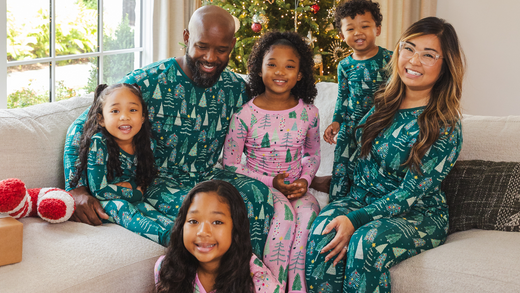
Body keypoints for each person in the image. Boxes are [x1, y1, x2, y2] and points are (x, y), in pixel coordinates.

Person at [63, 5, 274, 257]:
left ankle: (252, 273)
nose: (210, 57)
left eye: (221, 50)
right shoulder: (147, 81)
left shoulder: (236, 88)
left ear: (233, 45)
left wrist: (308, 176)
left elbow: (267, 133)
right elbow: (82, 126)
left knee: (259, 195)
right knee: (208, 211)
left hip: (209, 175)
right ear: (186, 38)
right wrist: (75, 188)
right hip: (157, 182)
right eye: (202, 46)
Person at [305, 16, 465, 293]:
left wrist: (354, 220)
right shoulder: (383, 102)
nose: (414, 61)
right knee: (322, 232)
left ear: (445, 65)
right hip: (361, 200)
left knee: (366, 243)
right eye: (409, 48)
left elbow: (410, 194)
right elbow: (354, 154)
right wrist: (339, 201)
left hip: (416, 215)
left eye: (428, 55)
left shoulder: (444, 124)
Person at [223, 31, 320, 292]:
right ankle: (272, 287)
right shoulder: (245, 114)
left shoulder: (309, 112)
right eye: (272, 64)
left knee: (308, 214)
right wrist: (270, 182)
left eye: (290, 66)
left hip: (298, 188)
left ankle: (297, 288)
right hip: (261, 188)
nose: (280, 71)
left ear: (300, 74)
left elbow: (312, 154)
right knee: (284, 217)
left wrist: (305, 180)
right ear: (258, 69)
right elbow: (230, 164)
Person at [68, 83, 173, 245]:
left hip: (132, 195)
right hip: (106, 201)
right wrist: (134, 192)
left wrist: (132, 188)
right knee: (122, 206)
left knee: (149, 209)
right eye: (115, 111)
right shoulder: (99, 144)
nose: (124, 116)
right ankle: (169, 240)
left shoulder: (146, 144)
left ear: (143, 116)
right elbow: (100, 190)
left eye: (132, 110)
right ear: (101, 119)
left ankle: (179, 233)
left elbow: (142, 179)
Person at [316, 0, 393, 201]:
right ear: (342, 35)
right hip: (351, 125)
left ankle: (369, 199)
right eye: (351, 28)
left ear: (377, 29)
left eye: (365, 26)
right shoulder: (344, 65)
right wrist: (336, 122)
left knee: (369, 164)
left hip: (379, 126)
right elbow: (342, 96)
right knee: (343, 162)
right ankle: (339, 201)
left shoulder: (389, 59)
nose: (358, 32)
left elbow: (397, 93)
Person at [154, 180, 281, 293]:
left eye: (217, 222)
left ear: (236, 228)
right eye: (193, 221)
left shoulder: (259, 281)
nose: (203, 232)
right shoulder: (166, 268)